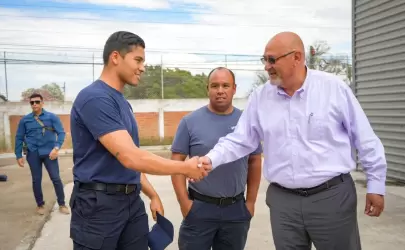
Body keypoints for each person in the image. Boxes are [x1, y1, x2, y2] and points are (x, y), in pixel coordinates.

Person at [196, 31, 387, 250]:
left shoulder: (333, 89)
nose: (266, 66)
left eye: (272, 60)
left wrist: (376, 184)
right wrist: (211, 159)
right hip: (283, 203)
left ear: (296, 57)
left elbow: (364, 138)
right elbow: (240, 140)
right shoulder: (261, 97)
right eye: (264, 60)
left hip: (332, 197)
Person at [69, 30, 209, 250]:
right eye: (138, 60)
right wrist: (184, 168)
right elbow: (130, 157)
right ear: (115, 57)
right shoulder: (95, 98)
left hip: (131, 202)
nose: (142, 67)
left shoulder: (122, 103)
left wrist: (152, 195)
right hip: (98, 207)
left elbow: (132, 161)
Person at [170, 67, 263, 250]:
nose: (220, 90)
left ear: (234, 89)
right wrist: (185, 204)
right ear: (208, 89)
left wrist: (250, 202)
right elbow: (176, 164)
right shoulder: (190, 122)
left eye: (225, 85)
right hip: (200, 208)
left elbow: (255, 161)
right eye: (215, 86)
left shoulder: (246, 122)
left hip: (235, 209)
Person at [15, 93, 69, 215]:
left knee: (56, 178)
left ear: (42, 103)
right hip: (33, 154)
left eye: (37, 102)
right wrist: (18, 155)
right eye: (32, 102)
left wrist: (56, 148)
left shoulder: (52, 117)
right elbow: (19, 137)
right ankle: (40, 205)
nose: (34, 104)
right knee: (36, 180)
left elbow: (61, 133)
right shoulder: (25, 120)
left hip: (50, 153)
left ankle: (62, 204)